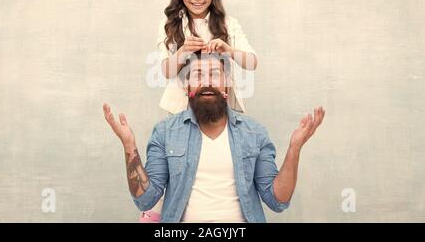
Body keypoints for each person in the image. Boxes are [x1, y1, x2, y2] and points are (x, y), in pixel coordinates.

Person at [103, 51, 325, 222]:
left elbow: (278, 200)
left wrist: (295, 148)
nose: (207, 81)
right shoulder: (165, 133)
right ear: (188, 86)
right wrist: (129, 145)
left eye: (215, 74)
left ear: (226, 84)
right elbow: (146, 199)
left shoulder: (254, 133)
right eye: (198, 75)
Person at [157, 0, 258, 114]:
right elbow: (166, 72)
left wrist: (228, 50)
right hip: (181, 109)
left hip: (220, 107)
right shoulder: (169, 24)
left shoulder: (228, 24)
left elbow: (252, 63)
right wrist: (183, 51)